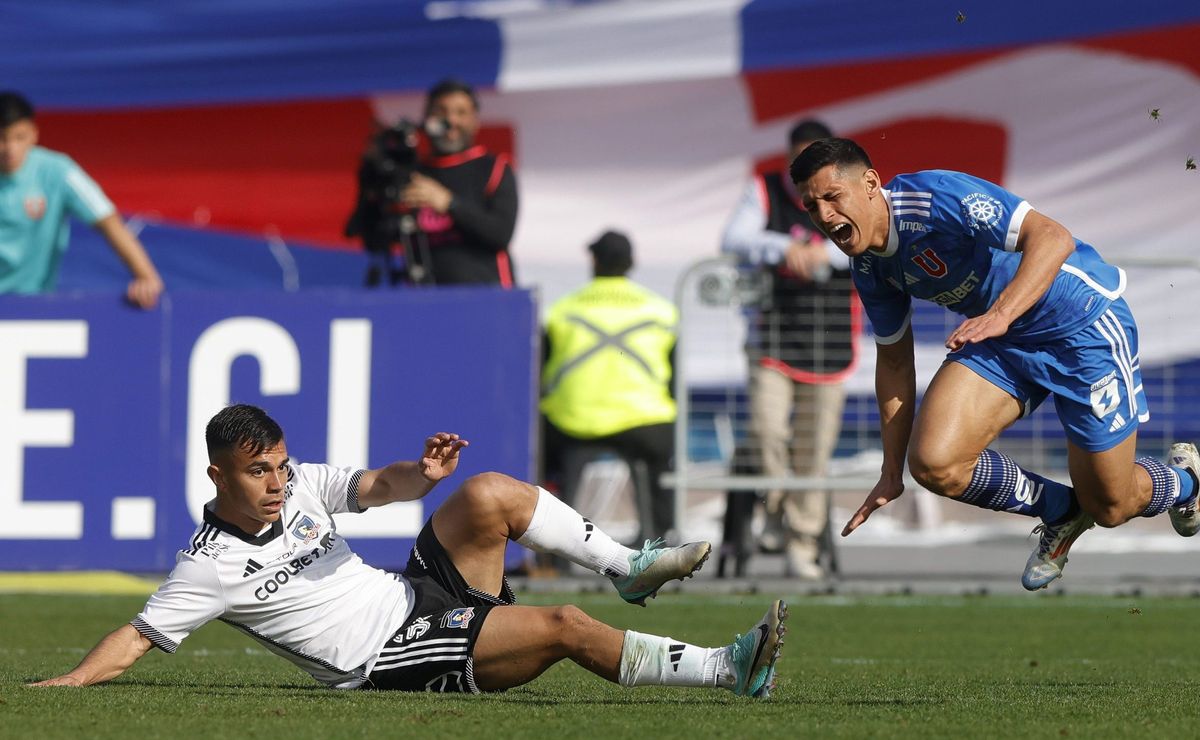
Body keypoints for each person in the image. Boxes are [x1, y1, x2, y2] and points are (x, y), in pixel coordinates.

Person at [30, 404, 786, 697]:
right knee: (562, 627)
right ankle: (728, 668)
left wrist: (419, 477)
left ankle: (629, 567)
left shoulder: (298, 487)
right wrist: (69, 682)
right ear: (217, 474)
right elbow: (137, 636)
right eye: (258, 471)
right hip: (384, 657)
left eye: (280, 465)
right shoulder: (208, 565)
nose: (276, 482)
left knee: (488, 490)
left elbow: (373, 487)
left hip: (414, 595)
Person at [789, 137, 1200, 590]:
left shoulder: (934, 198)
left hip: (1082, 326)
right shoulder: (867, 265)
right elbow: (893, 362)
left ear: (869, 183)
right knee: (933, 464)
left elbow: (1052, 237)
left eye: (832, 197)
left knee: (1112, 505)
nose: (824, 216)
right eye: (812, 207)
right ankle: (1062, 511)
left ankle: (1187, 482)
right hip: (1004, 337)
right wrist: (891, 471)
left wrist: (1001, 314)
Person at [721, 120, 857, 580]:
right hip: (772, 339)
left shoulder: (849, 193)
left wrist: (825, 253)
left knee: (814, 450)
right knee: (766, 433)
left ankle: (802, 542)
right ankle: (775, 510)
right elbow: (733, 239)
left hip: (831, 342)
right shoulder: (762, 190)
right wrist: (786, 248)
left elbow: (870, 242)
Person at [541, 231, 679, 543]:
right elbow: (674, 377)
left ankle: (548, 545)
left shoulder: (562, 310)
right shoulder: (661, 310)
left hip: (573, 423)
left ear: (594, 261)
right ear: (632, 263)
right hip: (645, 423)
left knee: (539, 453)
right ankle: (659, 536)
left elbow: (540, 374)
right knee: (659, 462)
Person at [347, 79, 518, 287]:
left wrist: (448, 203)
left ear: (475, 121)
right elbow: (374, 241)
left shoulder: (494, 168)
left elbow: (499, 234)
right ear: (427, 118)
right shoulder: (412, 174)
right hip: (427, 301)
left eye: (461, 113)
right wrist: (371, 180)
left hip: (488, 298)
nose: (451, 120)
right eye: (441, 111)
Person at [0, 91, 163, 308]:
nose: (10, 148)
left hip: (33, 305)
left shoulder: (59, 171)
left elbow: (108, 221)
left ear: (34, 134)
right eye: (1, 138)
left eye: (19, 137)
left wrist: (146, 277)